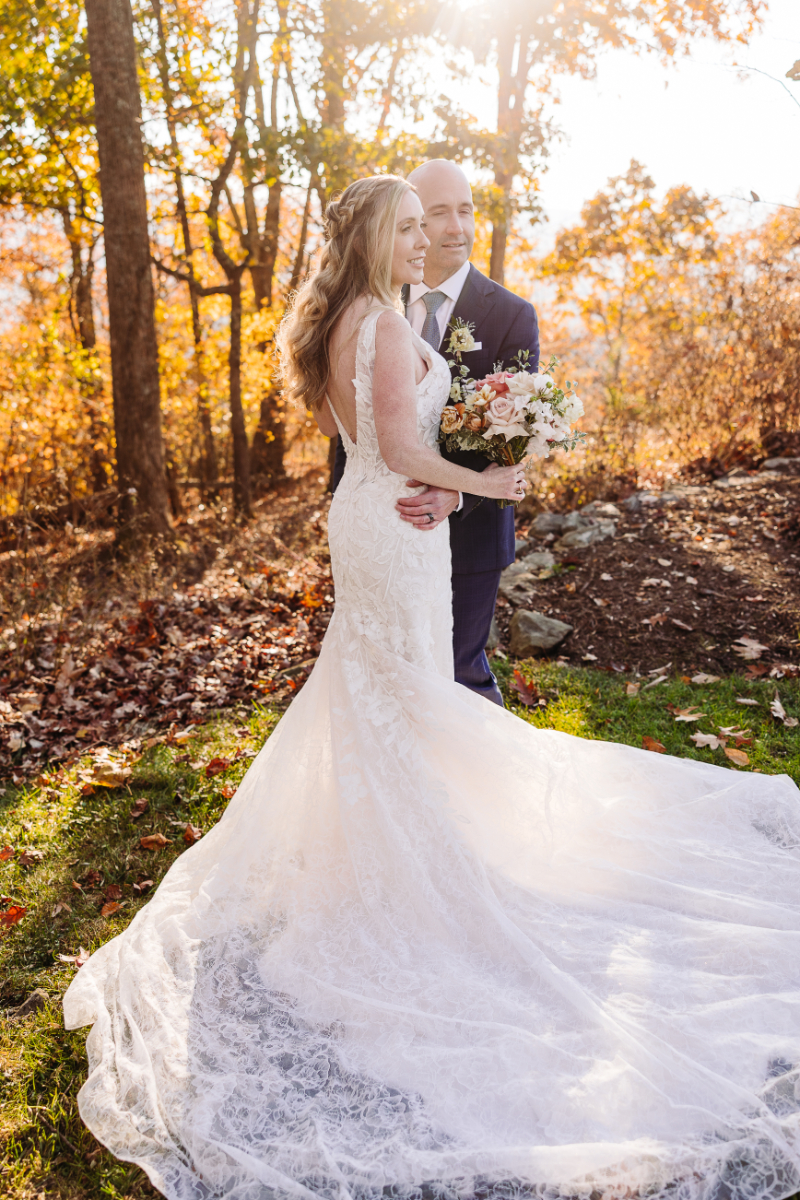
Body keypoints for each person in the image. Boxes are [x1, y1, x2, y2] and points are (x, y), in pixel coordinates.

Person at [64, 174, 800, 1200]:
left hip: (384, 521)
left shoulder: (366, 315)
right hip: (391, 524)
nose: (424, 239)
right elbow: (399, 445)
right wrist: (481, 482)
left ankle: (397, 851)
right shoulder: (370, 320)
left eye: (426, 224)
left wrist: (430, 475)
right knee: (399, 695)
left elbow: (376, 445)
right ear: (372, 235)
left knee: (390, 694)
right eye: (407, 225)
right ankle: (407, 881)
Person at [332, 159, 539, 706]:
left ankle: (485, 791)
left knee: (460, 676)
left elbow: (516, 432)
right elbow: (359, 431)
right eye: (433, 215)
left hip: (469, 533)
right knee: (395, 681)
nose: (450, 229)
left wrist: (459, 491)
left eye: (465, 211)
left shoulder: (512, 315)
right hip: (386, 526)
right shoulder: (379, 309)